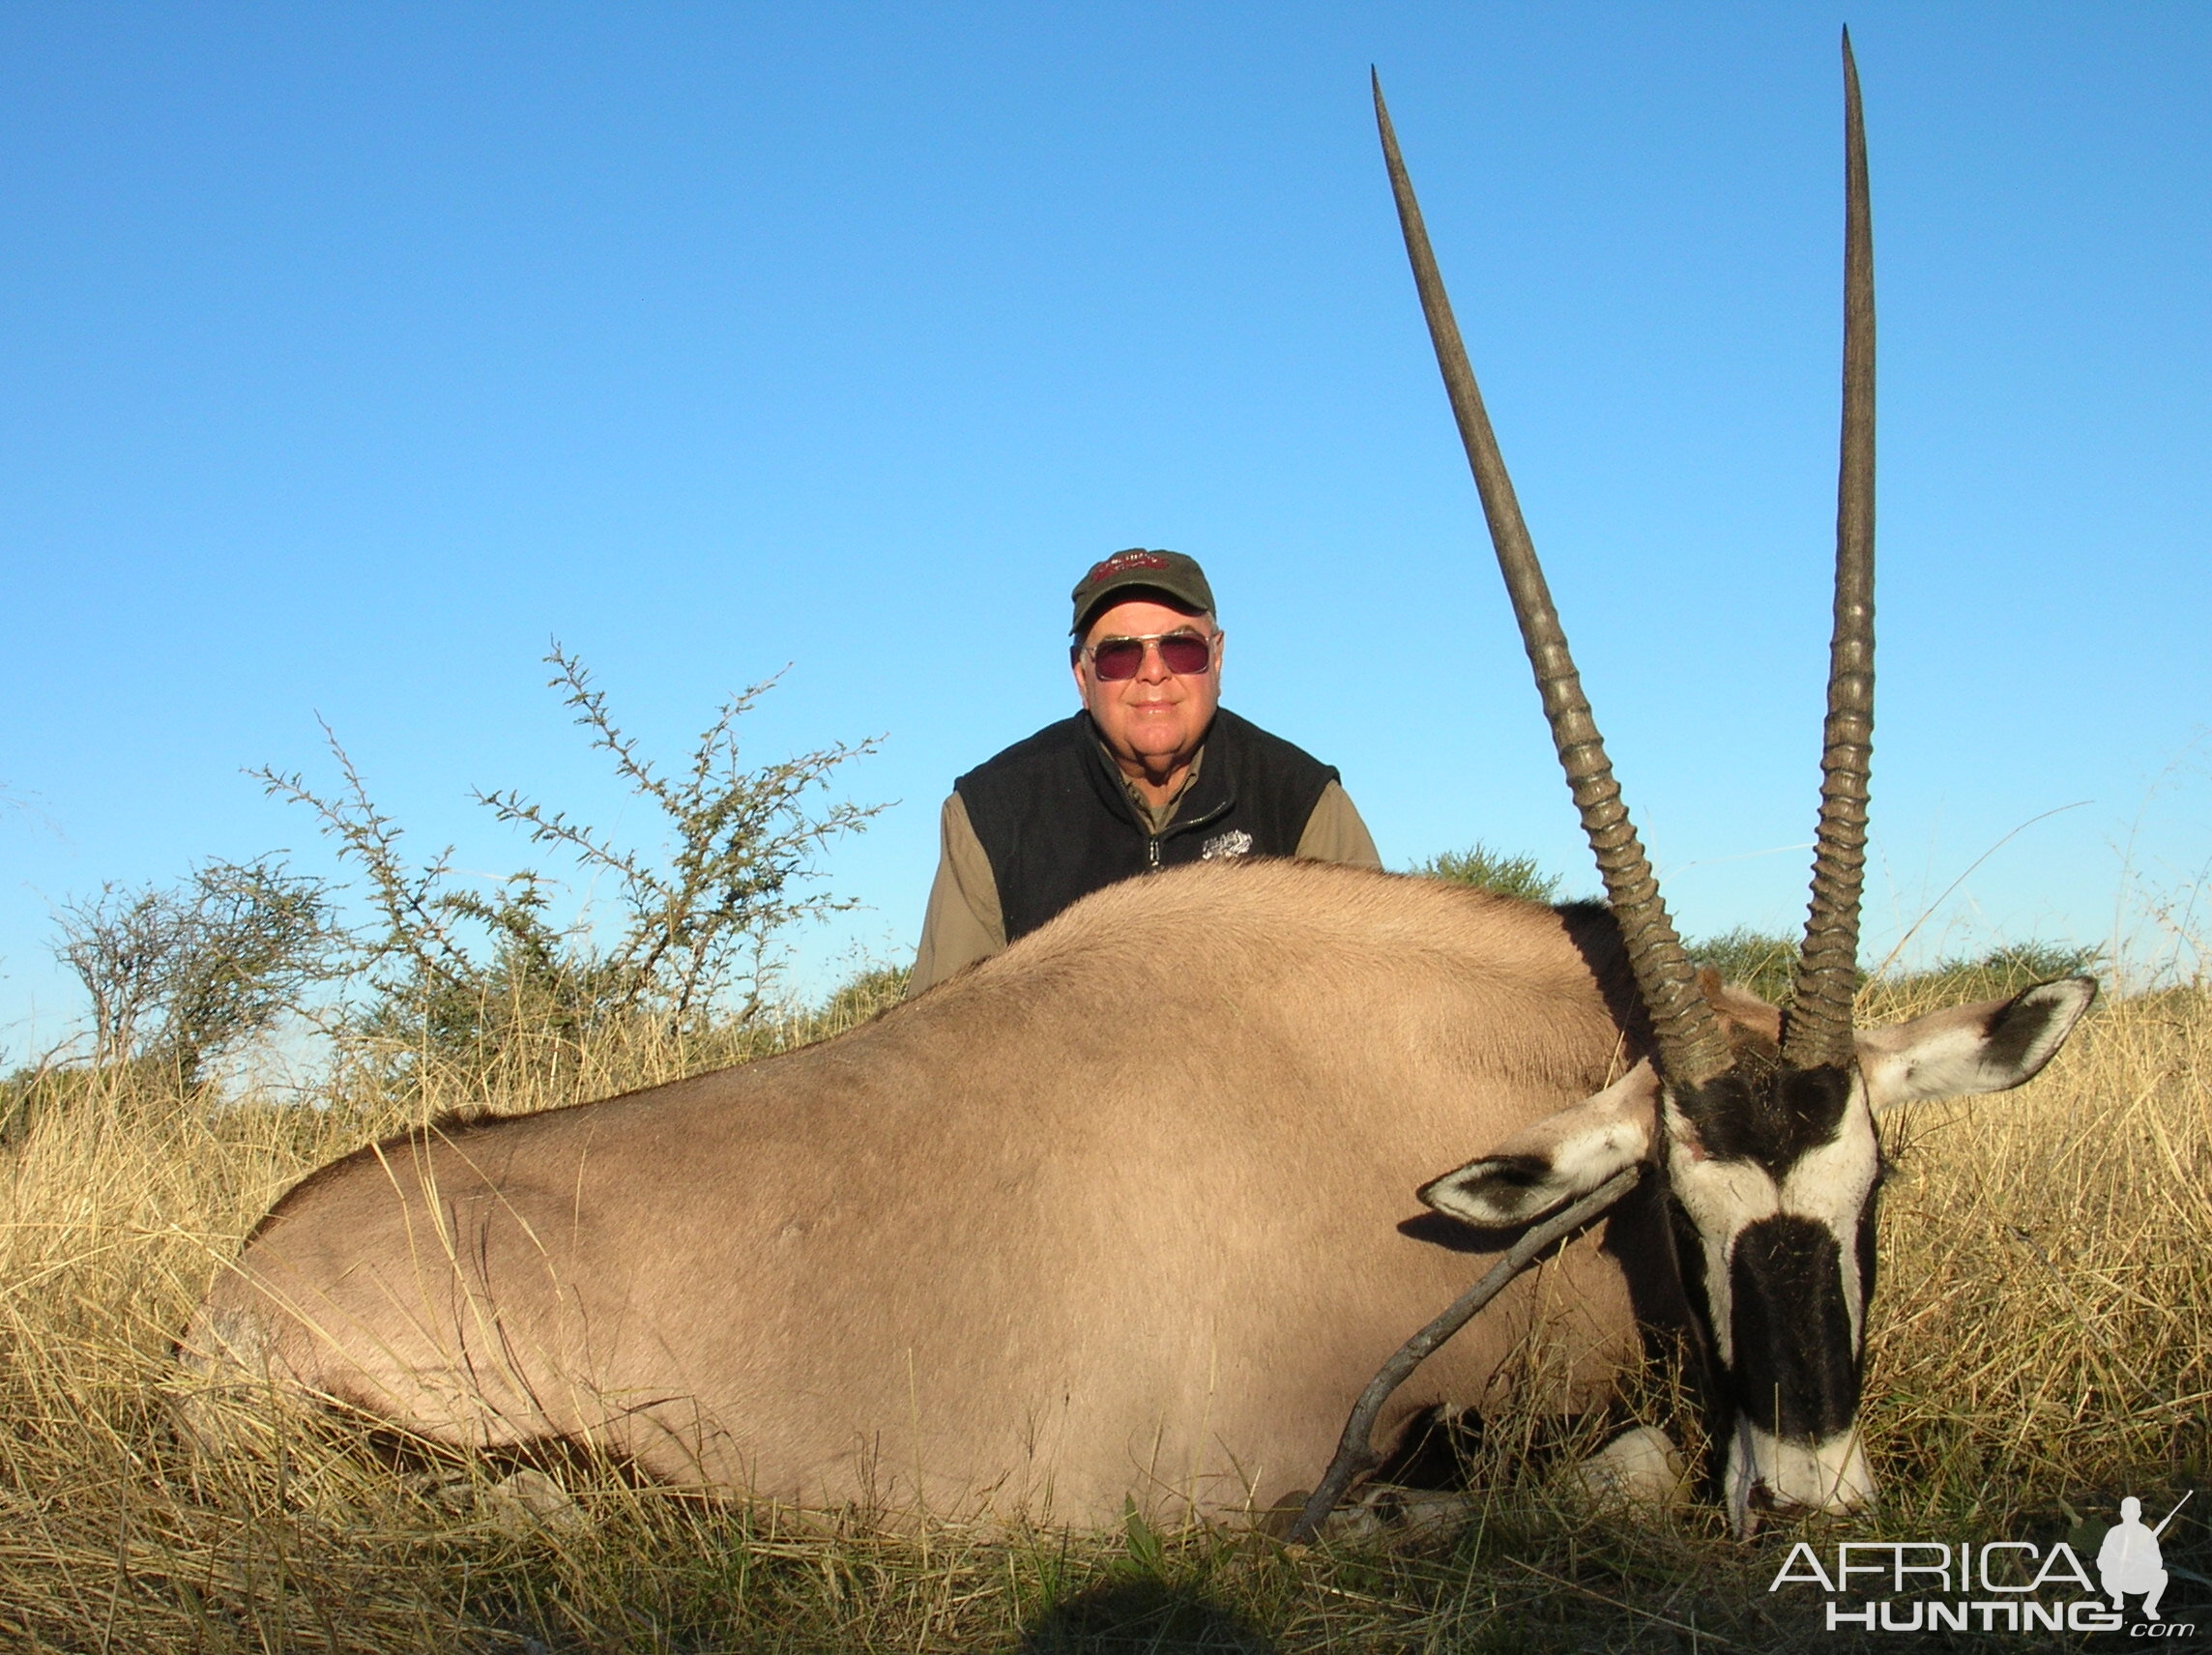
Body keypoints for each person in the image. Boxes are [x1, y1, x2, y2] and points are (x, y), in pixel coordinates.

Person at [907, 547, 1382, 996]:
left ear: (1217, 658)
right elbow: (937, 1039)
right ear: (1081, 675)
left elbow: (1375, 995)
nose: (1153, 673)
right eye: (1119, 655)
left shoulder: (1300, 801)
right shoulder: (992, 814)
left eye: (1181, 649)